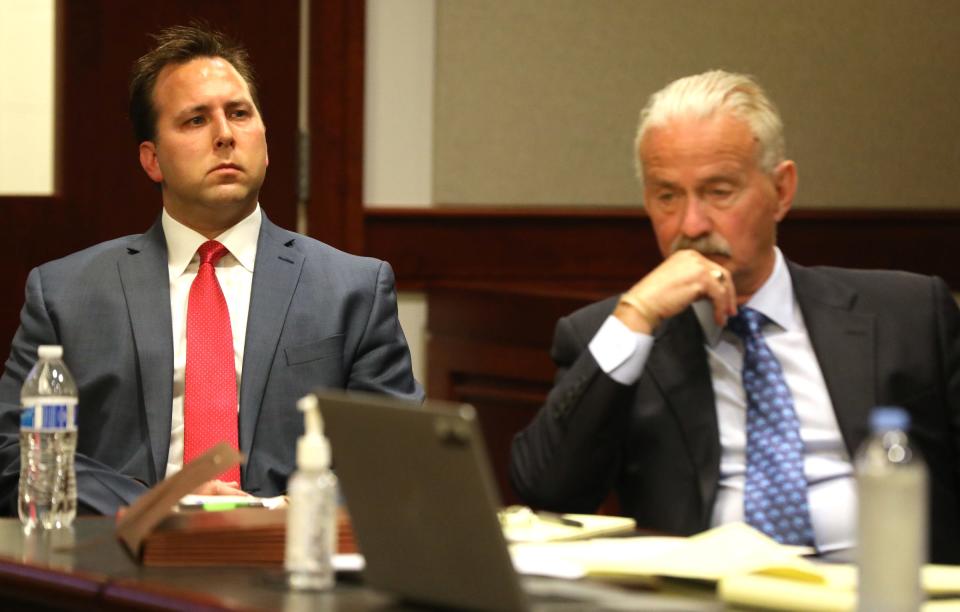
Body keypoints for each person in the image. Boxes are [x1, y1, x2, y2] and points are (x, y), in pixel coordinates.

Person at [510, 70, 960, 563]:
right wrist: (635, 317)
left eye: (719, 192)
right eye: (667, 196)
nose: (691, 225)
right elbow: (546, 494)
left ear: (781, 191)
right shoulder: (612, 337)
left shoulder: (908, 314)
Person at [0, 24, 422, 516]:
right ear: (152, 160)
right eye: (196, 120)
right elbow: (11, 454)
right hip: (125, 563)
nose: (225, 135)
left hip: (291, 560)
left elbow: (401, 463)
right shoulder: (67, 294)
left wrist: (296, 513)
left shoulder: (353, 289)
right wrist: (156, 503)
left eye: (240, 114)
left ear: (265, 140)